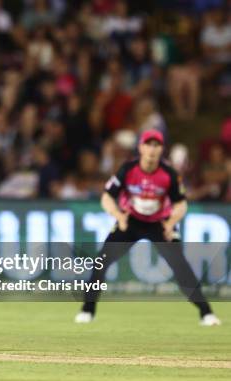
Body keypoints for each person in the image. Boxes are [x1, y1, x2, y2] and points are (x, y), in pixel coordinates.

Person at [74, 129, 221, 326]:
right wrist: (119, 216)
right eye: (148, 144)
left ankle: (206, 313)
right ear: (141, 147)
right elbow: (107, 197)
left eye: (157, 145)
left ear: (162, 149)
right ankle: (87, 310)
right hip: (130, 221)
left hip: (159, 223)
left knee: (181, 267)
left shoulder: (169, 174)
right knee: (101, 262)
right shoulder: (128, 169)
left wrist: (169, 224)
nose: (152, 149)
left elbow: (181, 204)